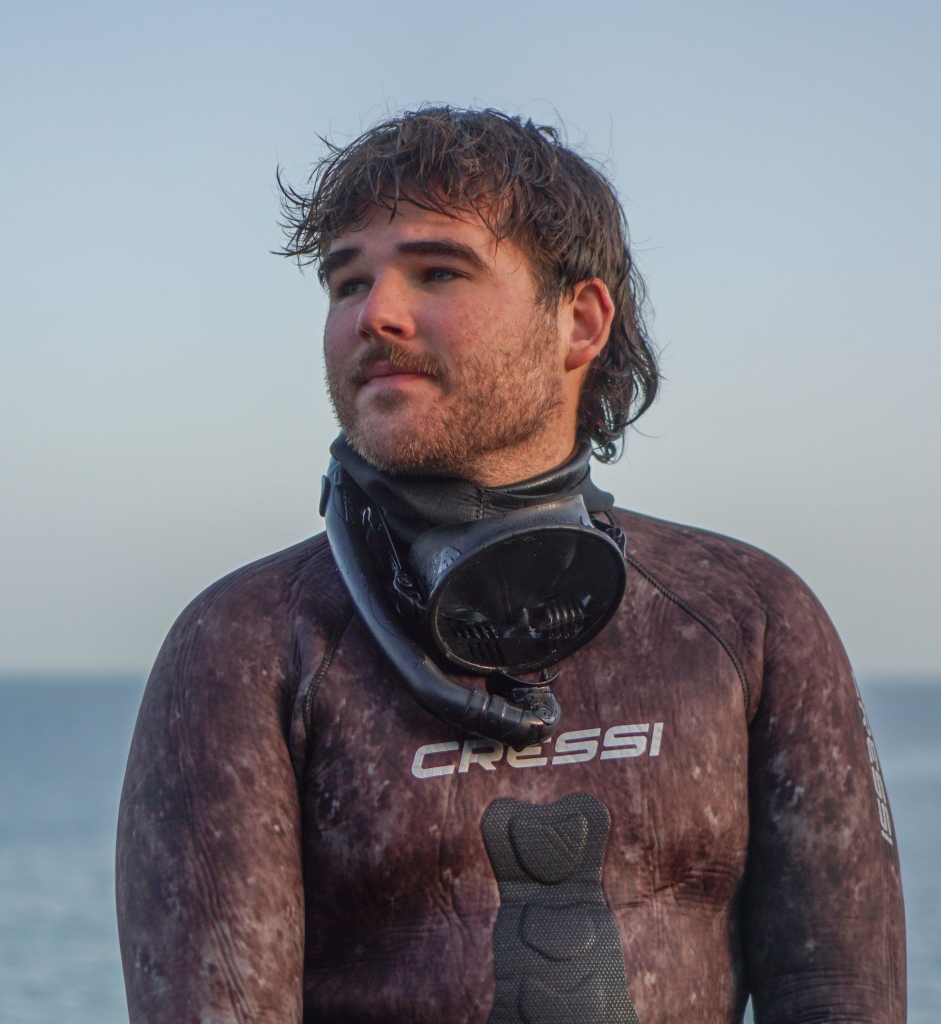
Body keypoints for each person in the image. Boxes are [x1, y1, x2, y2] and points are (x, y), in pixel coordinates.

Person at [116, 107, 906, 1023]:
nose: (375, 313)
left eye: (438, 271)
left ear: (580, 321)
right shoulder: (244, 644)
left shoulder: (747, 617)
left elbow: (841, 997)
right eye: (347, 281)